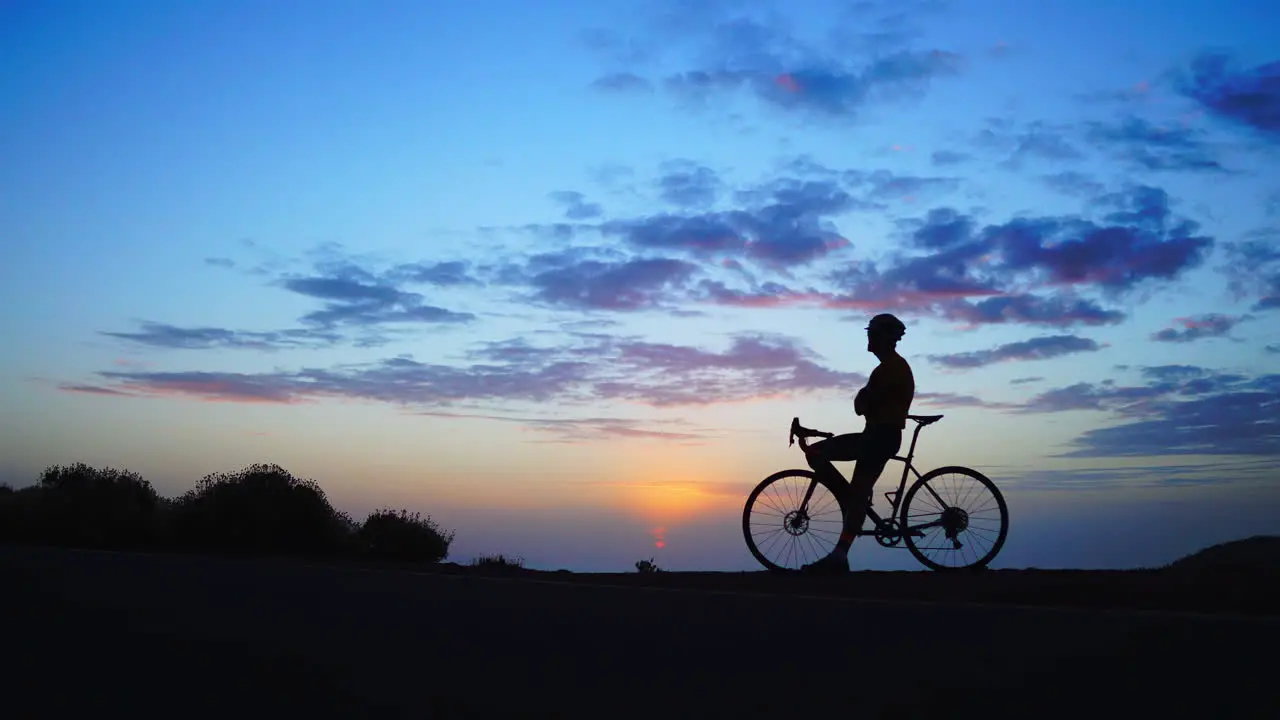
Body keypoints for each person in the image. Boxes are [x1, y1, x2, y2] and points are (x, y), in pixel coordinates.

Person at [801, 312, 914, 574]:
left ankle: (842, 545)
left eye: (872, 333)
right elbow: (863, 404)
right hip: (877, 437)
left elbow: (861, 405)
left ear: (885, 338)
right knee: (852, 486)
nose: (869, 338)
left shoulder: (889, 370)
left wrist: (863, 398)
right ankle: (848, 517)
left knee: (819, 456)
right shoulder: (889, 368)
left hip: (878, 438)